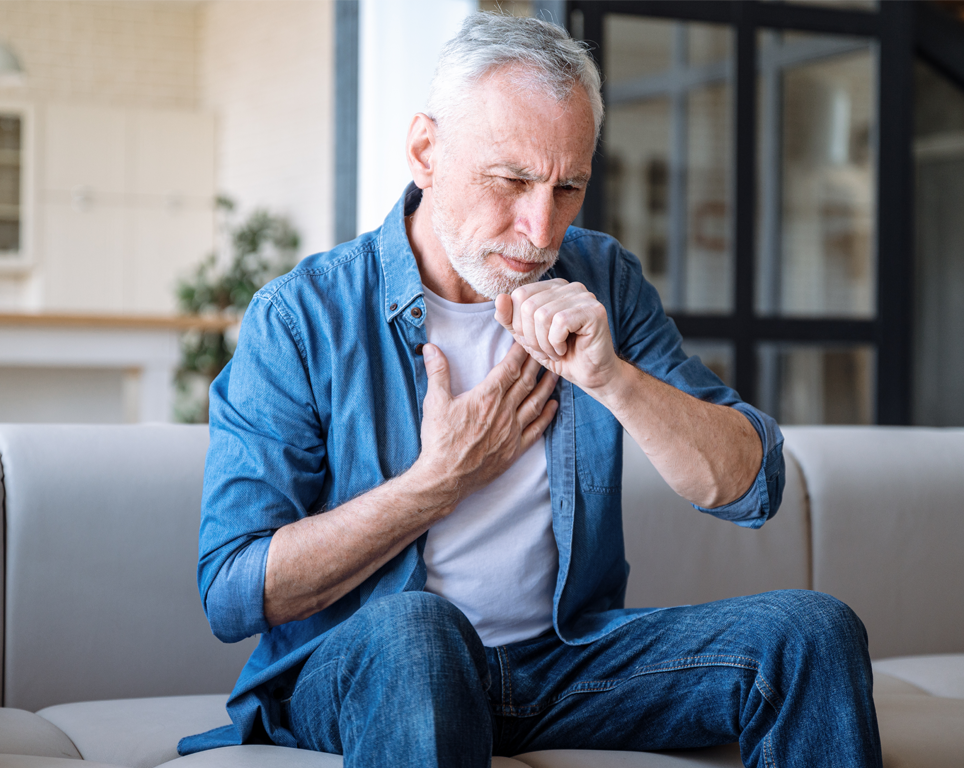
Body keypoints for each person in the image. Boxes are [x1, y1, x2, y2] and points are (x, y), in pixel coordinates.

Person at [181, 13, 882, 768]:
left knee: (813, 633)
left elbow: (752, 486)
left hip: (561, 664)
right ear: (425, 150)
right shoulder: (302, 316)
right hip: (370, 670)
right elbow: (232, 591)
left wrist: (615, 379)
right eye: (511, 180)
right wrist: (434, 483)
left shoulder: (602, 279)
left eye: (568, 187)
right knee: (418, 631)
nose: (540, 228)